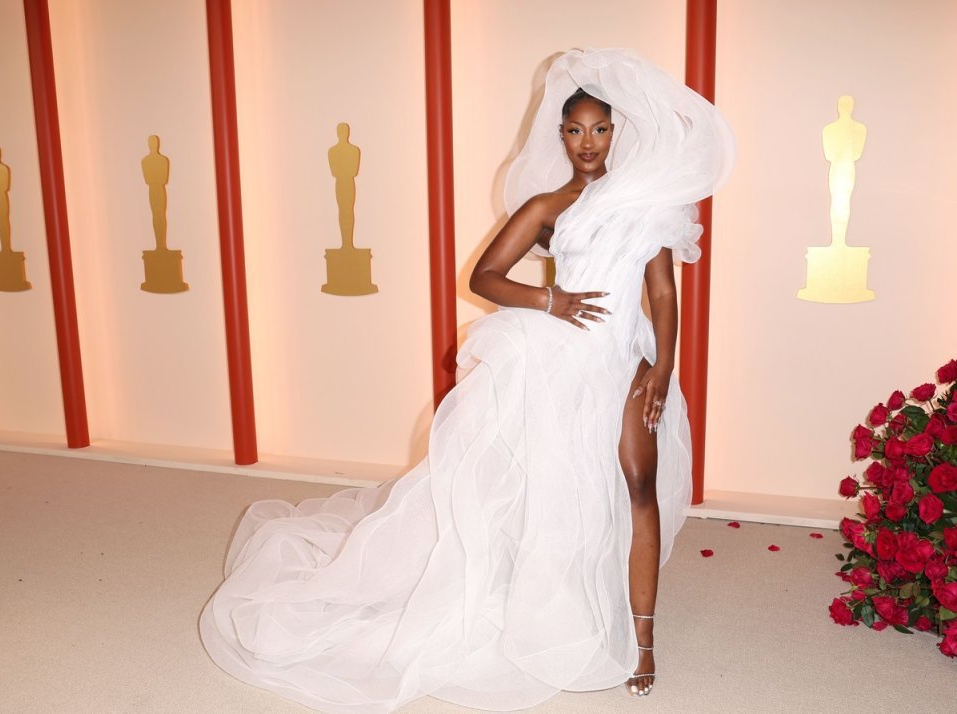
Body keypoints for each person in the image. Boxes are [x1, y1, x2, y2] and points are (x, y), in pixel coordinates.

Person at [199, 48, 734, 712]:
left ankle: (643, 638)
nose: (588, 142)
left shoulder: (639, 204)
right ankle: (553, 606)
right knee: (550, 487)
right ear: (560, 135)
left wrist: (663, 367)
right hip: (558, 360)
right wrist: (549, 301)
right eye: (575, 130)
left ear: (615, 132)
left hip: (625, 361)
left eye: (600, 128)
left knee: (638, 484)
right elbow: (484, 277)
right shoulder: (547, 206)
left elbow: (662, 295)